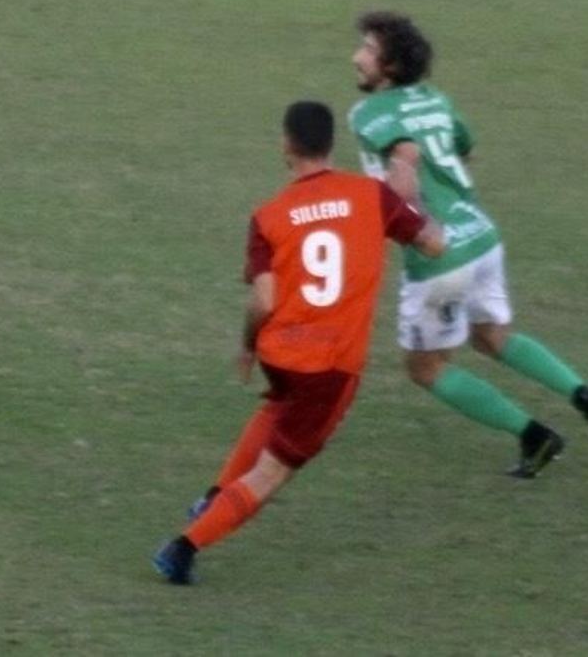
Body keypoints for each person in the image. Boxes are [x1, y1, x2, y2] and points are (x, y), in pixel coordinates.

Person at [154, 102, 444, 584]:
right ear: (331, 144)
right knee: (270, 475)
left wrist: (248, 345)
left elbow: (263, 300)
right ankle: (183, 548)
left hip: (281, 353)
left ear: (286, 146)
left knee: (275, 408)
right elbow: (434, 244)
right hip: (330, 366)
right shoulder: (370, 195)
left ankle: (213, 496)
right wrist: (411, 199)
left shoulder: (268, 216)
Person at [350, 12, 588, 477]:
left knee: (426, 367)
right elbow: (465, 148)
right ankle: (586, 395)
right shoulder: (435, 99)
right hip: (481, 236)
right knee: (493, 335)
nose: (357, 58)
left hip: (439, 254)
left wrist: (405, 218)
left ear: (391, 67)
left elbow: (407, 156)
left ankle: (533, 435)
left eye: (368, 51)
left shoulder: (368, 113)